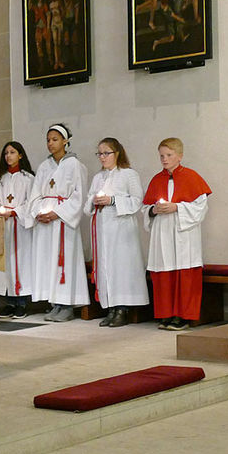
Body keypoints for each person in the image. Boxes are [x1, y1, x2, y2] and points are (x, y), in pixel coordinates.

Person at [142, 137, 211, 331]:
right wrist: (153, 210)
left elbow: (200, 207)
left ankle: (183, 316)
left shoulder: (191, 177)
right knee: (164, 272)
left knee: (185, 272)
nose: (164, 159)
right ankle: (166, 314)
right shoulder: (157, 179)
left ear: (180, 156)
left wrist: (177, 208)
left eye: (169, 155)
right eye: (162, 156)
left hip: (183, 234)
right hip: (162, 233)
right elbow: (145, 207)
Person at [25, 123, 89, 321]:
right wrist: (37, 212)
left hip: (62, 221)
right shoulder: (44, 166)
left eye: (55, 139)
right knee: (48, 261)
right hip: (45, 223)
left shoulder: (75, 165)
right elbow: (35, 193)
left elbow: (79, 195)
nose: (50, 143)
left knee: (64, 261)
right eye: (48, 140)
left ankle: (66, 305)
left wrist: (57, 213)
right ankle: (54, 303)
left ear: (65, 141)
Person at [83, 138, 149, 328]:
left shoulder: (129, 175)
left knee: (121, 268)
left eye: (106, 153)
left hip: (121, 230)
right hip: (103, 229)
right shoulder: (98, 178)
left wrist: (113, 200)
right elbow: (88, 202)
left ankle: (123, 308)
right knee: (106, 267)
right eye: (100, 154)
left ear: (117, 153)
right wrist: (94, 201)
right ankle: (111, 307)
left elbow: (137, 201)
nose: (102, 157)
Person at [0, 141, 35, 319]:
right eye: (6, 153)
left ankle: (22, 303)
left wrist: (15, 211)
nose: (8, 156)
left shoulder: (28, 178)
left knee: (21, 263)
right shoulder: (0, 179)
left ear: (20, 155)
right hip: (4, 227)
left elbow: (31, 202)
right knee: (5, 263)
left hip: (21, 227)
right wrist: (0, 210)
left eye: (12, 152)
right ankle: (9, 302)